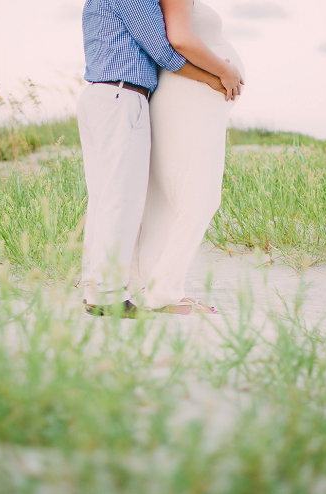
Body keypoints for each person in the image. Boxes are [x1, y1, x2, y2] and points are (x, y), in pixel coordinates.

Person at [78, 0, 242, 317]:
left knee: (103, 197)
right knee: (119, 199)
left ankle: (96, 288)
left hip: (106, 96)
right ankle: (107, 295)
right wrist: (216, 75)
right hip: (122, 97)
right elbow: (164, 49)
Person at [132, 0, 245, 314]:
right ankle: (163, 292)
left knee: (166, 197)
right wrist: (225, 70)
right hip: (187, 95)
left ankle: (146, 285)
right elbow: (179, 39)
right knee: (200, 197)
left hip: (183, 94)